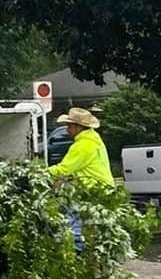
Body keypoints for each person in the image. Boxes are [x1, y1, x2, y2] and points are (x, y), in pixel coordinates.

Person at [48, 105, 114, 251]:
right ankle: (89, 256)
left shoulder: (82, 145)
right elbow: (78, 168)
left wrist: (40, 173)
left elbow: (63, 169)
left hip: (92, 191)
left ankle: (77, 253)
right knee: (91, 228)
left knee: (71, 219)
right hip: (102, 190)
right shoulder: (94, 139)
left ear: (78, 127)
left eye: (69, 126)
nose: (67, 130)